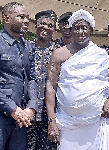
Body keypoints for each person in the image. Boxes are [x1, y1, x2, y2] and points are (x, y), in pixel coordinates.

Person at [45, 9, 109, 150]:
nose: (80, 32)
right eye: (77, 28)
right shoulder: (59, 54)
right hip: (67, 122)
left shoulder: (101, 54)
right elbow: (50, 87)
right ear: (71, 30)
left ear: (91, 29)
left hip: (97, 120)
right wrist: (51, 121)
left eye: (84, 28)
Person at [0, 2, 37, 150]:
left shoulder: (27, 46)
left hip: (22, 119)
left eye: (27, 17)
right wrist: (12, 109)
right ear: (6, 18)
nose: (27, 20)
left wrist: (32, 107)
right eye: (21, 17)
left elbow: (32, 79)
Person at [26, 10, 58, 150]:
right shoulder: (25, 47)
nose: (45, 27)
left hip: (50, 117)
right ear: (36, 25)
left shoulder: (59, 52)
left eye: (50, 25)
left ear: (54, 29)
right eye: (42, 23)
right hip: (26, 114)